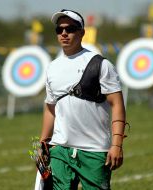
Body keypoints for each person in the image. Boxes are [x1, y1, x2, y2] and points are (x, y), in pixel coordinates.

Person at [40, 9, 126, 190]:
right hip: (60, 150)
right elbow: (50, 108)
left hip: (94, 151)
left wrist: (116, 144)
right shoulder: (52, 68)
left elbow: (117, 104)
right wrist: (43, 143)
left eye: (70, 28)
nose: (64, 33)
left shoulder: (101, 64)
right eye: (59, 29)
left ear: (82, 32)